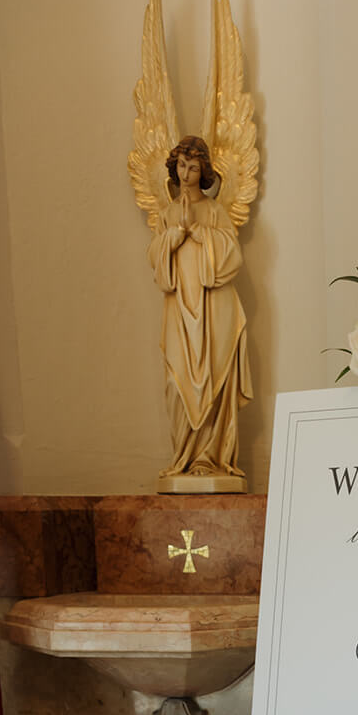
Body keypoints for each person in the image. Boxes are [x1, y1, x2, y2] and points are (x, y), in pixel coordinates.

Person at [148, 135, 252, 481]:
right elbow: (157, 266)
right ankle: (184, 456)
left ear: (203, 171)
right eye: (181, 166)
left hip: (215, 307)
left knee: (213, 378)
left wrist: (201, 234)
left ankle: (210, 458)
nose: (187, 173)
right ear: (173, 168)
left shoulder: (216, 211)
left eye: (194, 167)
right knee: (176, 383)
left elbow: (232, 256)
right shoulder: (165, 214)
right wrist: (173, 238)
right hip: (179, 307)